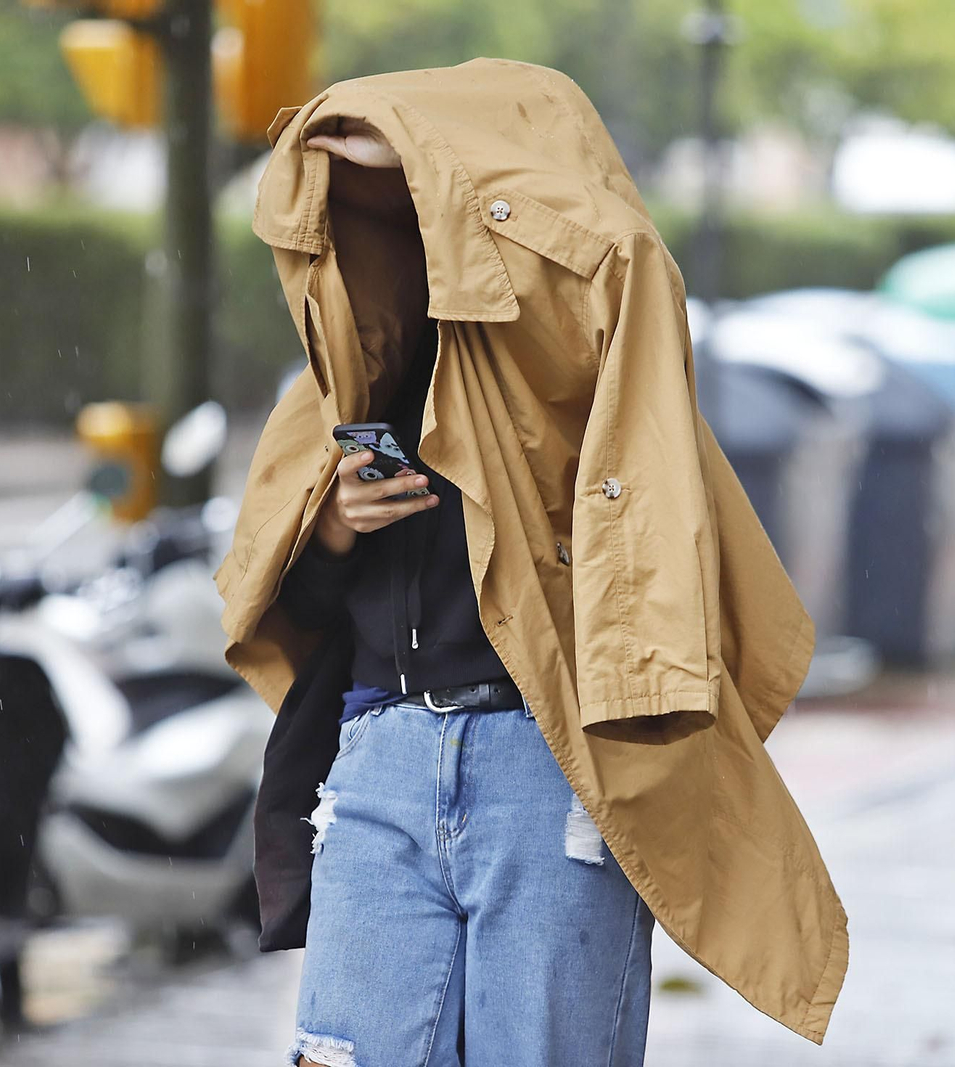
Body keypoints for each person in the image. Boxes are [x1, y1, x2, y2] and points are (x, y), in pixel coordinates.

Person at [216, 60, 850, 1067]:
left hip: (544, 765)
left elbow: (618, 250)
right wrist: (334, 523)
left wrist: (419, 145)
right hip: (377, 761)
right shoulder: (346, 366)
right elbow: (281, 607)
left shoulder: (581, 346)